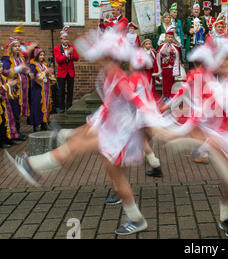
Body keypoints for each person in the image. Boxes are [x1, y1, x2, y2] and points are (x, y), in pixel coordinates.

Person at [6, 29, 161, 235]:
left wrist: (159, 122)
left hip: (120, 135)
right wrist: (90, 126)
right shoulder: (108, 74)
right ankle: (136, 219)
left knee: (78, 149)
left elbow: (138, 102)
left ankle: (32, 164)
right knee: (116, 179)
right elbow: (109, 106)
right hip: (112, 129)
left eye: (99, 56)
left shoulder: (117, 76)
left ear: (107, 57)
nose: (95, 59)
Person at [1, 38, 32, 141]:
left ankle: (17, 132)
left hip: (22, 89)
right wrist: (19, 68)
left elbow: (24, 69)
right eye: (15, 46)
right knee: (14, 111)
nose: (18, 48)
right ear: (10, 48)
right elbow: (5, 72)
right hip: (13, 89)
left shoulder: (20, 58)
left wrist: (27, 71)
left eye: (19, 46)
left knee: (18, 111)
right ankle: (14, 134)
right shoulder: (6, 59)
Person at [29, 48, 56, 132]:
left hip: (46, 89)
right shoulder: (33, 65)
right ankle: (36, 125)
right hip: (37, 89)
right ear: (36, 55)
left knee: (46, 105)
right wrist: (45, 72)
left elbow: (48, 75)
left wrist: (51, 75)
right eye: (40, 55)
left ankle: (44, 123)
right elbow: (35, 77)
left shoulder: (44, 64)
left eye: (43, 55)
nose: (42, 56)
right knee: (37, 106)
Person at [54, 26, 78, 113]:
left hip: (70, 72)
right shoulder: (56, 48)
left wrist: (71, 54)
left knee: (70, 90)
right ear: (61, 40)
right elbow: (58, 60)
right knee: (61, 90)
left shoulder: (72, 47)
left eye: (67, 39)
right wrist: (67, 54)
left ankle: (69, 106)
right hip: (61, 73)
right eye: (64, 39)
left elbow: (76, 58)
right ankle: (61, 107)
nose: (66, 41)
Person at [157, 26, 182, 102]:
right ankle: (165, 95)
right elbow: (159, 54)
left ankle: (171, 95)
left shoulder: (175, 46)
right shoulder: (162, 45)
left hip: (172, 66)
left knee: (171, 81)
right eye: (168, 37)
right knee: (165, 82)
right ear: (165, 37)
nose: (170, 39)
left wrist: (172, 52)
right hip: (165, 66)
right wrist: (165, 52)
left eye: (171, 37)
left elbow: (177, 54)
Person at [0, 60, 19, 147]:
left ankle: (8, 138)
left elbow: (5, 89)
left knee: (8, 120)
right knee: (2, 122)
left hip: (5, 102)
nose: (1, 69)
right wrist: (8, 85)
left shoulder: (2, 77)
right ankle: (2, 141)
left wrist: (10, 86)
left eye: (1, 67)